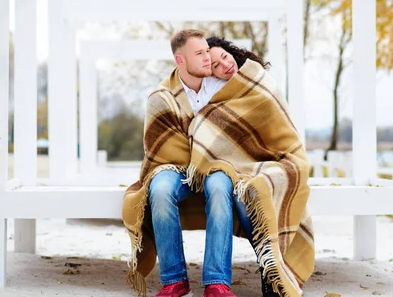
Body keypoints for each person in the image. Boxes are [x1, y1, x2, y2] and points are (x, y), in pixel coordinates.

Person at [122, 30, 240, 297]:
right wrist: (190, 155)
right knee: (160, 190)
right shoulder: (161, 96)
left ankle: (217, 282)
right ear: (180, 60)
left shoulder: (223, 86)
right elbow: (159, 147)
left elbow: (232, 133)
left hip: (215, 164)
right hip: (173, 167)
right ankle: (175, 280)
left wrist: (206, 155)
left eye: (206, 51)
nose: (207, 59)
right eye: (199, 54)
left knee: (221, 188)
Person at [195, 36, 314, 297]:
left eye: (225, 56)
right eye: (215, 65)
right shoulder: (216, 94)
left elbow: (281, 127)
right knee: (243, 194)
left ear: (232, 53)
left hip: (274, 159)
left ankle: (272, 270)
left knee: (257, 189)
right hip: (234, 167)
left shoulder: (260, 79)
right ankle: (269, 267)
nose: (224, 65)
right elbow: (208, 132)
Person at [206, 36, 270, 80]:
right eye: (216, 65)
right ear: (212, 74)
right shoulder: (215, 95)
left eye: (225, 56)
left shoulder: (257, 73)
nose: (226, 65)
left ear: (230, 53)